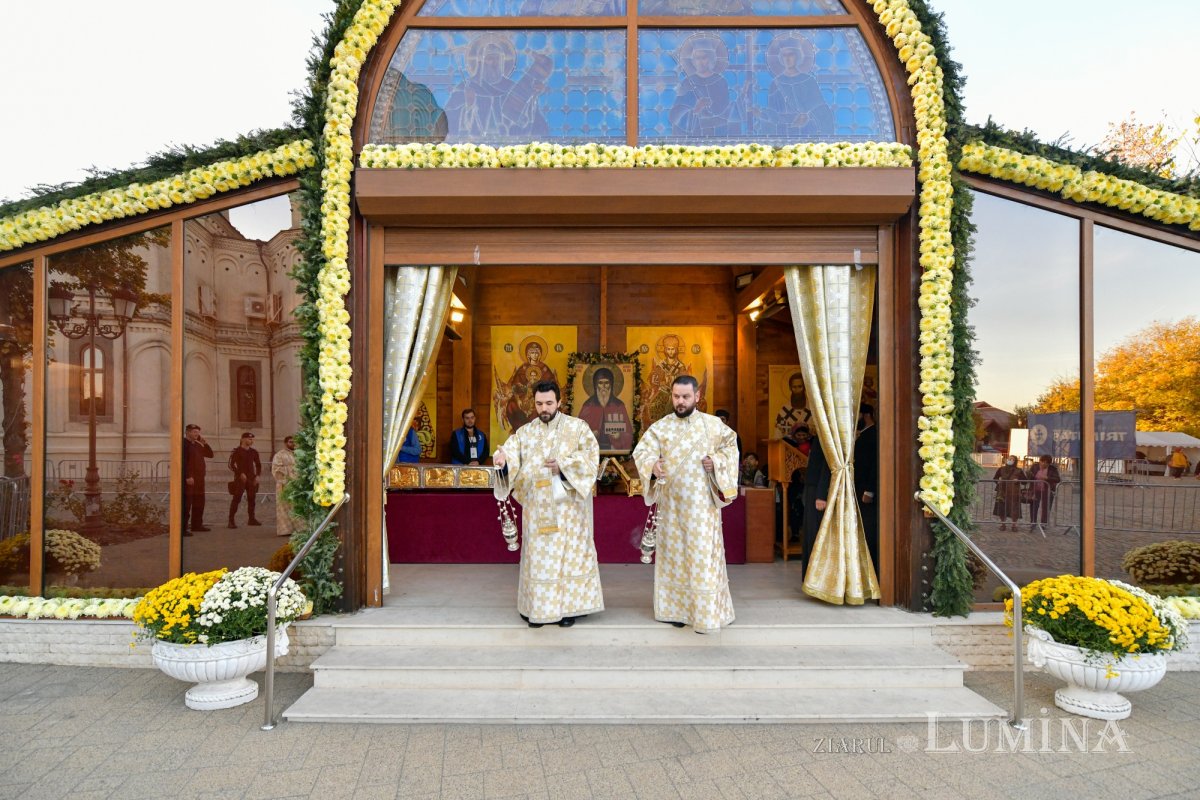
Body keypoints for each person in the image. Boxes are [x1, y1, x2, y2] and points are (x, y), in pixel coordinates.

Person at [632, 375, 738, 634]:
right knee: (675, 558)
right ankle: (676, 610)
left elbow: (730, 447)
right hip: (671, 508)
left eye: (685, 397)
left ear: (697, 396)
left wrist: (716, 462)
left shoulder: (713, 426)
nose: (680, 402)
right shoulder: (661, 427)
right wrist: (652, 466)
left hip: (702, 509)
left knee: (701, 559)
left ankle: (705, 611)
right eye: (677, 397)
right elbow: (641, 451)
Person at [493, 382, 604, 628]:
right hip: (536, 507)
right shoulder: (525, 432)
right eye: (539, 404)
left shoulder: (577, 428)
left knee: (567, 558)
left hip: (567, 509)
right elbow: (510, 453)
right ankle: (537, 608)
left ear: (559, 402)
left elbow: (590, 458)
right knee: (539, 559)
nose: (544, 408)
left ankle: (567, 609)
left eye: (549, 403)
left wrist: (563, 465)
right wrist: (502, 460)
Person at [495, 338, 560, 434]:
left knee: (538, 407)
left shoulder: (544, 368)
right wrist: (520, 395)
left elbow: (552, 385)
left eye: (537, 353)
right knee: (511, 406)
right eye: (532, 353)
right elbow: (515, 386)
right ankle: (521, 430)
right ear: (528, 354)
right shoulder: (523, 368)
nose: (535, 355)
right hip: (523, 396)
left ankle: (536, 431)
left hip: (540, 398)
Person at [578, 367, 633, 452]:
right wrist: (590, 434)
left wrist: (619, 435)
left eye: (606, 383)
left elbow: (629, 433)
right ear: (595, 385)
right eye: (600, 383)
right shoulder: (588, 405)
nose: (603, 387)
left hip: (614, 449)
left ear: (611, 384)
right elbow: (578, 432)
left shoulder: (618, 405)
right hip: (592, 450)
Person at [801, 430, 831, 571]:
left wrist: (821, 494)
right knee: (811, 531)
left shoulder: (829, 434)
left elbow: (827, 465)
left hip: (819, 489)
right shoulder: (821, 434)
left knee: (816, 532)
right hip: (813, 488)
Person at [854, 403, 879, 571]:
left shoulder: (873, 434)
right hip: (859, 487)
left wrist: (869, 490)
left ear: (867, 415)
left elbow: (874, 464)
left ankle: (870, 565)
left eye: (858, 416)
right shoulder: (862, 435)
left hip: (866, 490)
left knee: (868, 527)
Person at [182, 424, 213, 536]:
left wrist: (205, 443)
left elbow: (210, 455)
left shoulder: (197, 445)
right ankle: (183, 528)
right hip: (190, 479)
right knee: (186, 504)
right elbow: (183, 462)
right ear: (188, 432)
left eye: (198, 432)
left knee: (199, 502)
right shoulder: (183, 444)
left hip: (199, 479)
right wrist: (187, 476)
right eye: (195, 432)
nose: (197, 434)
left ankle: (197, 525)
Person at [227, 432, 262, 529]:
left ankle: (251, 519)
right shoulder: (237, 451)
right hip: (240, 479)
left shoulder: (253, 452)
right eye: (249, 439)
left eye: (252, 439)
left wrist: (258, 476)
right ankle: (231, 520)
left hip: (251, 478)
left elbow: (258, 465)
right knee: (236, 498)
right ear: (243, 439)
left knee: (252, 499)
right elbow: (231, 464)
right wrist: (239, 473)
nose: (251, 441)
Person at [271, 436, 301, 538]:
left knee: (297, 506)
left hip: (298, 484)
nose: (293, 444)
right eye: (290, 442)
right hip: (285, 484)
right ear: (285, 443)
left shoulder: (299, 454)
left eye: (294, 442)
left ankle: (300, 528)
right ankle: (285, 530)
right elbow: (276, 469)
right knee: (284, 507)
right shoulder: (279, 455)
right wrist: (285, 479)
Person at [1025, 455, 1061, 533]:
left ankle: (1043, 523)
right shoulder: (1035, 466)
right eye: (1042, 461)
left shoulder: (1053, 469)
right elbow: (1030, 477)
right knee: (1034, 506)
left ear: (1049, 464)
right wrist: (1029, 475)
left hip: (1047, 490)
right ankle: (1033, 522)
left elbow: (1057, 479)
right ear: (1040, 461)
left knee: (1046, 507)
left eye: (1046, 463)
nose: (1043, 464)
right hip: (1035, 490)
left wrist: (1047, 478)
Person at [774, 372, 810, 439]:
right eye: (794, 387)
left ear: (804, 387)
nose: (797, 390)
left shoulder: (812, 411)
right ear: (790, 388)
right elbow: (777, 437)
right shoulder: (784, 412)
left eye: (800, 387)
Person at [992, 455, 1023, 531]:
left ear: (1015, 461)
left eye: (1012, 459)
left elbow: (1025, 481)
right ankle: (1003, 524)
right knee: (1002, 508)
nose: (1010, 460)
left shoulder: (1019, 470)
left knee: (1014, 509)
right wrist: (998, 481)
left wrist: (1018, 480)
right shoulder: (1001, 469)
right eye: (1009, 459)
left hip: (1014, 492)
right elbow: (995, 478)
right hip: (1002, 492)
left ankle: (1014, 525)